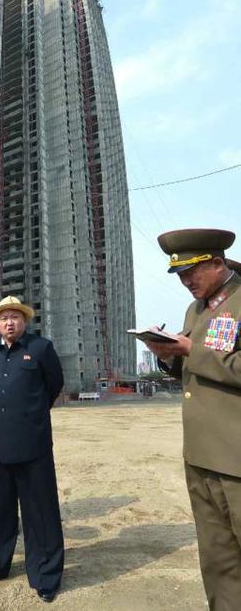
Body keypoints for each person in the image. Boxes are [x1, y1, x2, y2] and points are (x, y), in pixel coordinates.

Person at [146, 228, 241, 611]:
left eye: (193, 272)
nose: (186, 282)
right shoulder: (196, 310)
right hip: (200, 457)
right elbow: (195, 368)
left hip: (236, 458)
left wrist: (191, 349)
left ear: (218, 263)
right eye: (180, 275)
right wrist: (169, 355)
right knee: (218, 560)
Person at [0, 296, 64, 604]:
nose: (9, 322)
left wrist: (31, 414)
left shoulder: (40, 348)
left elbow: (54, 384)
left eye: (15, 317)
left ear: (25, 321)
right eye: (3, 318)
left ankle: (45, 575)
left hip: (32, 443)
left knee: (40, 513)